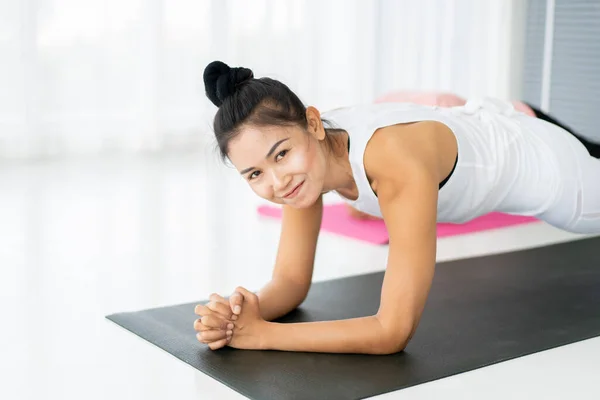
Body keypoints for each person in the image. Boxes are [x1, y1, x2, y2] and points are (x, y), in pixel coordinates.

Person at [193, 60, 600, 354]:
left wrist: (261, 336)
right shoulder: (305, 160)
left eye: (280, 155)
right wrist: (236, 313)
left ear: (313, 123)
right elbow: (291, 282)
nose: (276, 182)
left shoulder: (394, 164)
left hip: (562, 180)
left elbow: (392, 330)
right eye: (254, 174)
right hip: (504, 121)